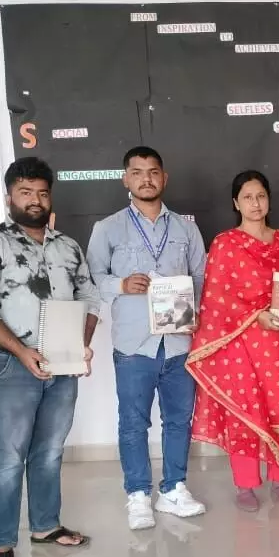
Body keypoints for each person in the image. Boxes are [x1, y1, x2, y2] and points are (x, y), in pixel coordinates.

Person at [0, 157, 99, 557]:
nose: (34, 200)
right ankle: (2, 544)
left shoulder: (68, 246)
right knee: (8, 458)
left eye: (41, 192)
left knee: (50, 451)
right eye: (25, 192)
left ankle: (45, 526)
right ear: (9, 198)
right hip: (10, 365)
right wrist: (22, 352)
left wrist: (81, 344)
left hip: (63, 365)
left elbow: (89, 298)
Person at [86, 146, 207, 530]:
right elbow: (90, 280)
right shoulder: (108, 228)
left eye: (153, 172)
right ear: (126, 178)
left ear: (164, 177)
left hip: (178, 341)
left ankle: (173, 489)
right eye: (137, 172)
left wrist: (194, 312)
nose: (146, 179)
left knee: (178, 420)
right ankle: (138, 495)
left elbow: (201, 277)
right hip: (133, 343)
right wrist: (121, 284)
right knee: (133, 423)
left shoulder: (186, 228)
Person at [186, 171, 279, 512]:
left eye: (260, 196)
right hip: (240, 344)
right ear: (236, 202)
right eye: (247, 197)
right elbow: (216, 298)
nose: (255, 203)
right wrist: (255, 315)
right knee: (245, 411)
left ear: (269, 199)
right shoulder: (225, 245)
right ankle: (245, 485)